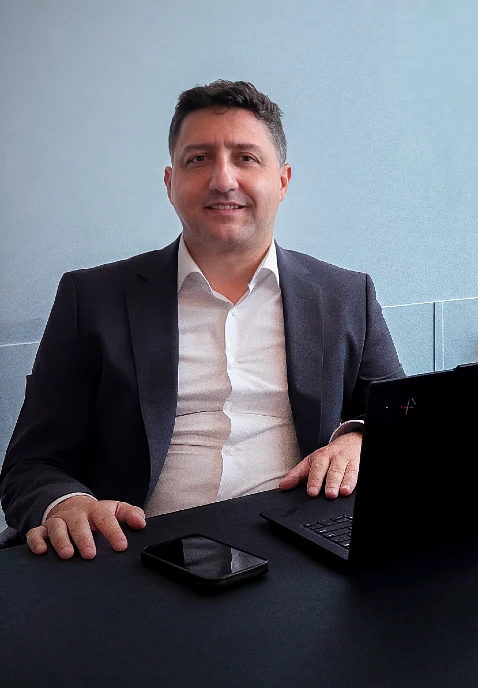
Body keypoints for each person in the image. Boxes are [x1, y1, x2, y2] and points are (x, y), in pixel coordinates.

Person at [0, 80, 404, 559]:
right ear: (170, 183)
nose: (223, 179)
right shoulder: (91, 299)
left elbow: (404, 419)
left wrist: (359, 437)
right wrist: (67, 504)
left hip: (301, 552)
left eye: (246, 158)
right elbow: (32, 463)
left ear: (282, 181)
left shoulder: (346, 295)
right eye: (198, 159)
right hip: (138, 558)